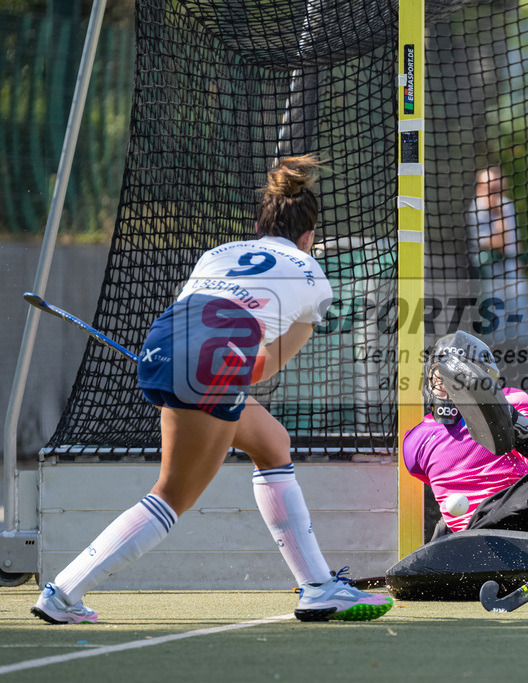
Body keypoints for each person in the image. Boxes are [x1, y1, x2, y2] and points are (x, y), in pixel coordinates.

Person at [31, 155, 393, 624]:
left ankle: (318, 587)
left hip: (163, 347)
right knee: (171, 495)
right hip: (211, 367)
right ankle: (63, 593)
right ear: (308, 236)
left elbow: (198, 323)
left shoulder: (218, 253)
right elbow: (264, 367)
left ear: (259, 224)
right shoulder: (312, 276)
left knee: (272, 442)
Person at [403, 331, 528, 539]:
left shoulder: (510, 400)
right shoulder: (416, 441)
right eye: (441, 374)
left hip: (519, 510)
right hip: (475, 531)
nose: (446, 382)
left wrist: (512, 421)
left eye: (458, 374)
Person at [465, 166, 528, 345]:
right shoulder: (476, 209)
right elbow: (497, 243)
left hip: (513, 275)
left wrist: (519, 266)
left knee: (519, 328)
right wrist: (498, 212)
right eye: (490, 188)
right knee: (496, 330)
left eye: (498, 188)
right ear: (480, 187)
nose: (495, 193)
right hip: (490, 278)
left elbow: (513, 242)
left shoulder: (507, 204)